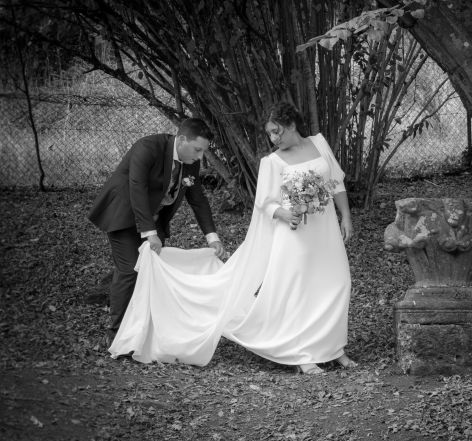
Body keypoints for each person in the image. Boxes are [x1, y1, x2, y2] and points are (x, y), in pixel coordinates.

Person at [108, 101, 356, 374]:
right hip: (295, 234)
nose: (273, 138)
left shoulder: (319, 144)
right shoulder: (271, 161)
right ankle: (301, 352)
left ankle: (333, 348)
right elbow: (265, 202)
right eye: (270, 133)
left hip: (325, 229)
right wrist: (284, 213)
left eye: (276, 132)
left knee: (336, 282)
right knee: (299, 289)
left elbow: (335, 182)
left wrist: (345, 216)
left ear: (292, 125)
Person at [88, 118, 225, 340]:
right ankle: (118, 333)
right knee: (130, 269)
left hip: (153, 219)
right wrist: (149, 233)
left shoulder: (190, 160)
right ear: (182, 140)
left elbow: (197, 199)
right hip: (123, 214)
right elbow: (137, 187)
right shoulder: (148, 147)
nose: (200, 157)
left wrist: (212, 238)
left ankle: (146, 328)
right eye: (198, 150)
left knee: (154, 272)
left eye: (203, 152)